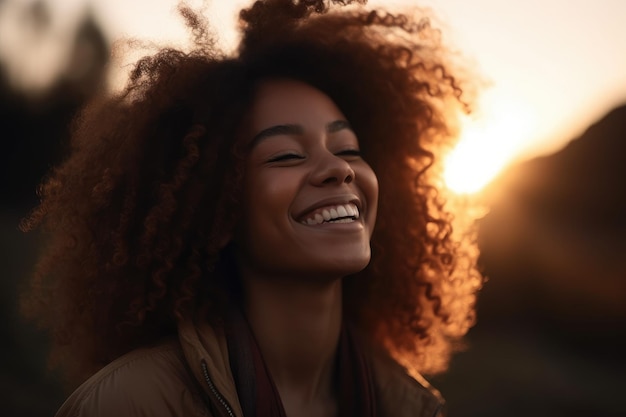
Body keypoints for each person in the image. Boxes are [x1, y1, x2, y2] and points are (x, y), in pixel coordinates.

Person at [21, 0, 482, 416]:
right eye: (285, 155)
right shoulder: (129, 405)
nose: (337, 170)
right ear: (216, 207)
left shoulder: (412, 406)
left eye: (348, 149)